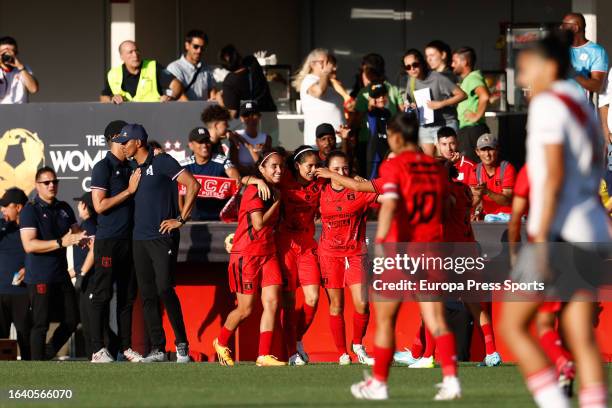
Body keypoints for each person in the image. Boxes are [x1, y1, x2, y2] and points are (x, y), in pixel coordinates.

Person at [501, 32, 609, 408]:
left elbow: (554, 173)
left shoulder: (547, 104)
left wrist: (542, 235)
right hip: (592, 226)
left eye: (525, 63)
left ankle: (554, 403)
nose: (520, 72)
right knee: (580, 336)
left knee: (513, 326)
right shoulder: (581, 104)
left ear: (548, 66)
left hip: (560, 229)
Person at [350, 113, 461, 401]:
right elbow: (448, 204)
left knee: (386, 320)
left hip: (401, 249)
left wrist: (381, 245)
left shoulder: (394, 165)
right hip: (433, 248)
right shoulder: (436, 168)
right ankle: (450, 380)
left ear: (398, 137)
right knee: (436, 319)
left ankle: (379, 383)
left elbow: (389, 206)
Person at [116, 124, 200, 363]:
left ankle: (182, 345)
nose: (123, 146)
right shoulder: (132, 167)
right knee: (148, 294)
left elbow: (193, 185)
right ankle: (158, 349)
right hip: (138, 239)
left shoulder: (162, 161)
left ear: (138, 142)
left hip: (163, 237)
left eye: (126, 142)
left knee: (165, 288)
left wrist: (180, 219)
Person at [244, 145, 325, 365]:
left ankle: (297, 339)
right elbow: (242, 180)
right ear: (297, 166)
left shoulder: (320, 182)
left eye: (317, 165)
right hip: (285, 245)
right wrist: (257, 181)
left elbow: (346, 183)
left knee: (313, 298)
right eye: (310, 166)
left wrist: (333, 173)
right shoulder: (285, 178)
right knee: (288, 302)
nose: (313, 170)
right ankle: (291, 353)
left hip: (307, 246)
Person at [213, 148, 286, 367]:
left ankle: (263, 355)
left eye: (281, 165)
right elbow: (258, 223)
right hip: (247, 255)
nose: (279, 170)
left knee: (272, 303)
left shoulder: (270, 186)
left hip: (268, 253)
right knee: (245, 309)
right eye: (274, 166)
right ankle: (221, 341)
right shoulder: (255, 191)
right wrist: (276, 202)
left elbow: (243, 177)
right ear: (262, 168)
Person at [507, 165, 577, 397]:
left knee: (533, 324)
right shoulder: (575, 169)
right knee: (572, 325)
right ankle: (566, 372)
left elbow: (516, 217)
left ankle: (561, 366)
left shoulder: (531, 170)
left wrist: (514, 255)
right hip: (576, 251)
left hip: (546, 252)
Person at [316, 150, 380, 366]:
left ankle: (358, 345)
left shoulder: (359, 189)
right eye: (336, 169)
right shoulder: (320, 191)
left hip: (355, 252)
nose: (341, 173)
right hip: (329, 254)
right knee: (336, 305)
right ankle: (342, 353)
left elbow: (384, 194)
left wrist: (367, 183)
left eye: (345, 169)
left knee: (362, 303)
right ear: (326, 171)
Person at [89, 120, 143, 363]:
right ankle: (97, 349)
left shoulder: (131, 166)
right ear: (113, 138)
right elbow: (99, 206)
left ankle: (125, 347)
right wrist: (128, 192)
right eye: (123, 138)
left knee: (127, 296)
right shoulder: (103, 167)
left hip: (129, 241)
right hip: (108, 241)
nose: (127, 143)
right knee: (101, 295)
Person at [19, 167, 85, 360]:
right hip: (40, 276)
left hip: (61, 275)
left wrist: (83, 238)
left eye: (54, 182)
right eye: (46, 183)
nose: (51, 186)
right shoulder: (30, 210)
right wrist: (60, 242)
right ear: (36, 186)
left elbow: (75, 233)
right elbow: (29, 244)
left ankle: (47, 353)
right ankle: (37, 365)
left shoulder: (64, 208)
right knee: (41, 323)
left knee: (72, 319)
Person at [403, 49, 466, 156]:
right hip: (426, 125)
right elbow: (410, 100)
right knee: (429, 163)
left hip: (446, 123)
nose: (412, 69)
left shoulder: (437, 78)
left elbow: (462, 95)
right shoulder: (411, 81)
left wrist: (440, 104)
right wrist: (411, 105)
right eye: (408, 67)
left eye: (415, 64)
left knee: (448, 161)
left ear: (422, 63)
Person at [353, 54, 404, 175]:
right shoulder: (392, 88)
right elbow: (402, 114)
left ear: (369, 71)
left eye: (363, 71)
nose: (380, 98)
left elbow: (356, 120)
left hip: (385, 143)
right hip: (374, 143)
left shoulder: (386, 89)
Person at [181, 126, 240, 221]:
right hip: (195, 220)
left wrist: (236, 179)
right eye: (200, 142)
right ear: (191, 145)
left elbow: (236, 178)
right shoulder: (184, 165)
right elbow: (178, 191)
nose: (205, 145)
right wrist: (183, 213)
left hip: (220, 220)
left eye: (207, 141)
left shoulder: (222, 161)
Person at [100, 40, 184, 104]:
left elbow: (177, 85)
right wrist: (112, 100)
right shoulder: (114, 74)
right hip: (126, 121)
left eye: (136, 51)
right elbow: (104, 96)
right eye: (130, 52)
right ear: (122, 57)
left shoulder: (153, 67)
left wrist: (171, 98)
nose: (135, 55)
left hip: (153, 118)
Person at [0, 188, 31, 360]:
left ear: (18, 207)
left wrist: (29, 268)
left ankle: (31, 379)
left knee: (25, 338)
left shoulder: (33, 226)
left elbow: (39, 252)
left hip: (23, 293)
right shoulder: (2, 226)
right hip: (0, 293)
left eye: (6, 206)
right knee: (1, 341)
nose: (3, 210)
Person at [293, 48, 344, 146]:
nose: (327, 65)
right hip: (320, 143)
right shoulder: (309, 80)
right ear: (312, 64)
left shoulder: (330, 83)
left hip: (337, 140)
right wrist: (325, 73)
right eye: (323, 62)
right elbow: (319, 91)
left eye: (328, 62)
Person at [70, 192, 97, 360]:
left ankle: (113, 352)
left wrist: (81, 273)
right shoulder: (85, 225)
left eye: (80, 203)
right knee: (88, 324)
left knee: (93, 325)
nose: (78, 206)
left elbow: (94, 251)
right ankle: (93, 357)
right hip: (85, 280)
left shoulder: (91, 226)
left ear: (85, 206)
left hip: (91, 280)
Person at [452, 47, 491, 162]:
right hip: (469, 129)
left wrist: (476, 116)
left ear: (465, 62)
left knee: (471, 166)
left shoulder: (473, 77)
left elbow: (484, 96)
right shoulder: (468, 80)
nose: (452, 64)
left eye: (455, 61)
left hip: (473, 130)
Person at [219, 44, 276, 118]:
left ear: (224, 66)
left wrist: (220, 100)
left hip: (247, 121)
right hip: (269, 115)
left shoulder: (229, 82)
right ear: (238, 55)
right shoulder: (252, 62)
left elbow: (232, 114)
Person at [560, 13, 608, 97]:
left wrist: (574, 73)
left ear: (575, 28)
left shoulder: (597, 51)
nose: (560, 27)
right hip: (556, 106)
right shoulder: (559, 48)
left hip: (579, 107)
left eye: (564, 25)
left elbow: (598, 86)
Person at [468, 134, 515, 219]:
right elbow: (476, 199)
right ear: (477, 152)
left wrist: (487, 192)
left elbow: (507, 201)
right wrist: (477, 212)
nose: (487, 154)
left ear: (497, 150)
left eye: (490, 149)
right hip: (488, 218)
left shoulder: (507, 168)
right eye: (483, 150)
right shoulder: (475, 171)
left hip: (508, 217)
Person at [167, 30, 214, 101]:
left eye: (202, 48)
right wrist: (194, 111)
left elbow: (212, 90)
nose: (199, 51)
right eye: (196, 46)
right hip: (183, 111)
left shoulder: (206, 68)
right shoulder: (174, 67)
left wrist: (214, 100)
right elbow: (180, 96)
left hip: (204, 111)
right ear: (187, 45)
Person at [229, 100, 272, 175]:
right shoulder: (235, 135)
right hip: (242, 175)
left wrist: (249, 147)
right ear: (241, 118)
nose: (250, 118)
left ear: (259, 117)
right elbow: (234, 163)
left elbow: (264, 164)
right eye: (246, 115)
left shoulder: (266, 138)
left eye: (254, 114)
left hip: (259, 174)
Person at [0, 36, 38, 104]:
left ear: (16, 53)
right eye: (3, 53)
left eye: (10, 52)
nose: (6, 55)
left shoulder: (23, 68)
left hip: (20, 111)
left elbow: (33, 89)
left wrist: (20, 67)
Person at [364, 82, 391, 178]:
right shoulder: (371, 112)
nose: (381, 99)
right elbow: (370, 109)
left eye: (383, 95)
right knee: (373, 184)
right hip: (375, 155)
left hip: (387, 153)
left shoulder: (388, 112)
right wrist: (371, 102)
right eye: (377, 96)